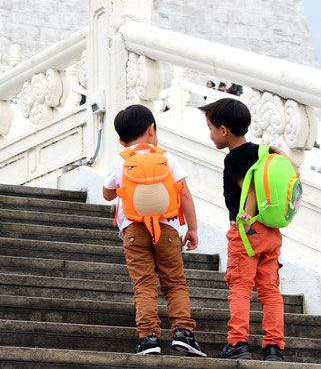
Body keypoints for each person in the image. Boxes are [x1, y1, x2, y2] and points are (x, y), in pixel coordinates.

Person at [199, 98, 299, 362]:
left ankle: (238, 342)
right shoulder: (263, 151)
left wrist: (248, 216)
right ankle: (274, 347)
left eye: (210, 128)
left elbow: (250, 188)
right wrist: (278, 151)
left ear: (224, 130)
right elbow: (290, 172)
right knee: (270, 291)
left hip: (248, 230)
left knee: (240, 287)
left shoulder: (234, 159)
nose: (210, 134)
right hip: (271, 232)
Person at [103, 104, 206, 358]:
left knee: (144, 285)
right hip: (168, 229)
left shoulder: (120, 160)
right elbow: (184, 195)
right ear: (152, 129)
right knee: (174, 284)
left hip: (134, 231)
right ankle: (183, 332)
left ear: (120, 139)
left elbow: (106, 194)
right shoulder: (167, 158)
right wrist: (191, 229)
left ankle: (149, 338)